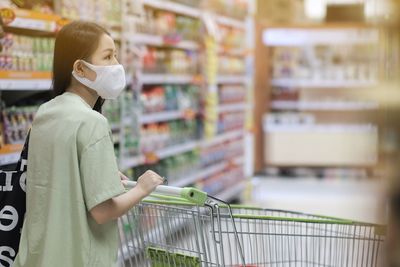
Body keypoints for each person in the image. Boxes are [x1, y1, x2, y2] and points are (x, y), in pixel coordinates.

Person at [12, 21, 164, 267]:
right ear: (80, 69)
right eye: (107, 56)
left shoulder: (45, 112)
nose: (116, 65)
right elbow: (103, 211)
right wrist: (142, 188)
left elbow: (56, 175)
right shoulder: (92, 122)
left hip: (37, 256)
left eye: (115, 55)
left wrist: (101, 174)